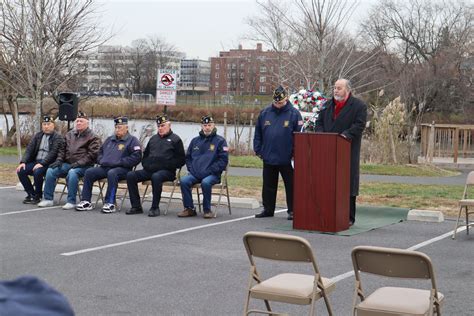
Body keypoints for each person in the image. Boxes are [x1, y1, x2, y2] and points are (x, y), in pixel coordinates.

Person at [315, 78, 367, 226]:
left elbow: (359, 125)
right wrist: (321, 135)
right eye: (335, 88)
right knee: (327, 182)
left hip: (347, 150)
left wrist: (345, 136)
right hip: (327, 150)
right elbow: (319, 122)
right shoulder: (327, 105)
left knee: (347, 183)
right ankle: (326, 212)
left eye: (339, 88)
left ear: (347, 90)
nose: (335, 91)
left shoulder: (358, 106)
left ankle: (349, 216)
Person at [254, 85, 303, 220]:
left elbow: (299, 135)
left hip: (287, 157)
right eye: (276, 102)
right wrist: (258, 149)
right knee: (268, 184)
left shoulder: (294, 114)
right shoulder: (265, 113)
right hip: (269, 155)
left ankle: (292, 210)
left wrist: (295, 153)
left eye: (280, 102)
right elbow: (258, 132)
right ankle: (268, 209)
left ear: (286, 99)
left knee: (291, 185)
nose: (278, 105)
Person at [75, 116, 142, 213]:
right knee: (89, 172)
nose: (117, 129)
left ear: (126, 128)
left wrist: (121, 162)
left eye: (120, 127)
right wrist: (101, 160)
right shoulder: (110, 139)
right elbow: (100, 152)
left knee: (112, 173)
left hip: (122, 169)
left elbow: (136, 157)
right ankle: (86, 201)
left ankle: (110, 203)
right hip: (105, 167)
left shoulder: (132, 140)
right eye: (116, 127)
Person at [38, 112, 101, 209]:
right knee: (51, 170)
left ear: (87, 123)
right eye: (77, 121)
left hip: (84, 166)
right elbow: (62, 150)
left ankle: (71, 201)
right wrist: (59, 160)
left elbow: (92, 155)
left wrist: (78, 163)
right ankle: (48, 199)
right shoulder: (69, 134)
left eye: (81, 121)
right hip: (68, 164)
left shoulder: (93, 137)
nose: (79, 123)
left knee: (72, 173)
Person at [125, 114, 185, 217]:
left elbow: (181, 160)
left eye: (163, 126)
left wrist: (167, 164)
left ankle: (155, 207)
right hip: (150, 169)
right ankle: (136, 206)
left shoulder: (176, 140)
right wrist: (146, 164)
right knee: (131, 175)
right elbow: (146, 155)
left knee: (156, 177)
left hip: (167, 172)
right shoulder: (153, 139)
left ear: (169, 126)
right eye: (159, 126)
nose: (160, 128)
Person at [177, 115, 229, 219]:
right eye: (205, 125)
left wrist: (210, 171)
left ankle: (207, 210)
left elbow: (223, 160)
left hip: (212, 175)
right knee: (184, 181)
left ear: (213, 125)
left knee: (205, 182)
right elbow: (188, 158)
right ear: (202, 126)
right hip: (195, 174)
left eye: (209, 125)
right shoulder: (195, 141)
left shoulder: (220, 141)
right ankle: (189, 209)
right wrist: (191, 169)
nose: (207, 127)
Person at [16, 115, 63, 204]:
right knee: (21, 170)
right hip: (36, 161)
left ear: (53, 125)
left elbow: (53, 153)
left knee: (37, 172)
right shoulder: (37, 136)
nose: (46, 126)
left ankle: (38, 195)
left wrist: (42, 163)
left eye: (48, 124)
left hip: (49, 163)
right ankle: (31, 194)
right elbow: (29, 150)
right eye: (44, 124)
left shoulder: (58, 137)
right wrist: (23, 162)